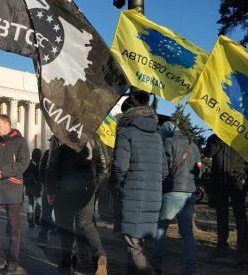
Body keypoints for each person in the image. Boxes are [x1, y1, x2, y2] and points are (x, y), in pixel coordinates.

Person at [109, 91, 168, 275]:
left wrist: (116, 187)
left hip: (132, 197)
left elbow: (119, 168)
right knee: (138, 246)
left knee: (134, 248)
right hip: (153, 198)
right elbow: (165, 171)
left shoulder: (126, 132)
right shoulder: (157, 135)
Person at [46, 132, 110, 275]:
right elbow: (105, 165)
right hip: (87, 187)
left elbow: (52, 164)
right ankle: (100, 255)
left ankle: (66, 262)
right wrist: (95, 187)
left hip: (65, 188)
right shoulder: (93, 134)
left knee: (65, 225)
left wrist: (50, 190)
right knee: (86, 223)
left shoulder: (59, 134)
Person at [151, 121, 201, 275]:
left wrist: (161, 183)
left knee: (161, 228)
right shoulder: (194, 146)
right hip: (189, 192)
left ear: (166, 132)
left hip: (171, 190)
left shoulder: (168, 142)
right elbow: (199, 169)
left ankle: (156, 265)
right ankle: (190, 269)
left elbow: (163, 168)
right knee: (187, 234)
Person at [0, 114, 29, 274]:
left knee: (14, 227)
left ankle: (13, 261)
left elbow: (23, 163)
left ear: (8, 125)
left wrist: (1, 172)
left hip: (12, 189)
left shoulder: (20, 142)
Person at [204, 134, 248, 264]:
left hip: (237, 181)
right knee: (221, 215)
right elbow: (208, 153)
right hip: (219, 181)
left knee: (240, 216)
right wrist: (218, 139)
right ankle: (221, 247)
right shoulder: (215, 137)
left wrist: (247, 180)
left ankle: (243, 250)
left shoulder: (243, 137)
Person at [24, 148, 42, 228]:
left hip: (31, 186)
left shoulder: (28, 163)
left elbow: (24, 174)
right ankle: (35, 220)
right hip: (36, 186)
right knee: (37, 203)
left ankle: (31, 220)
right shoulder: (40, 164)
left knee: (31, 203)